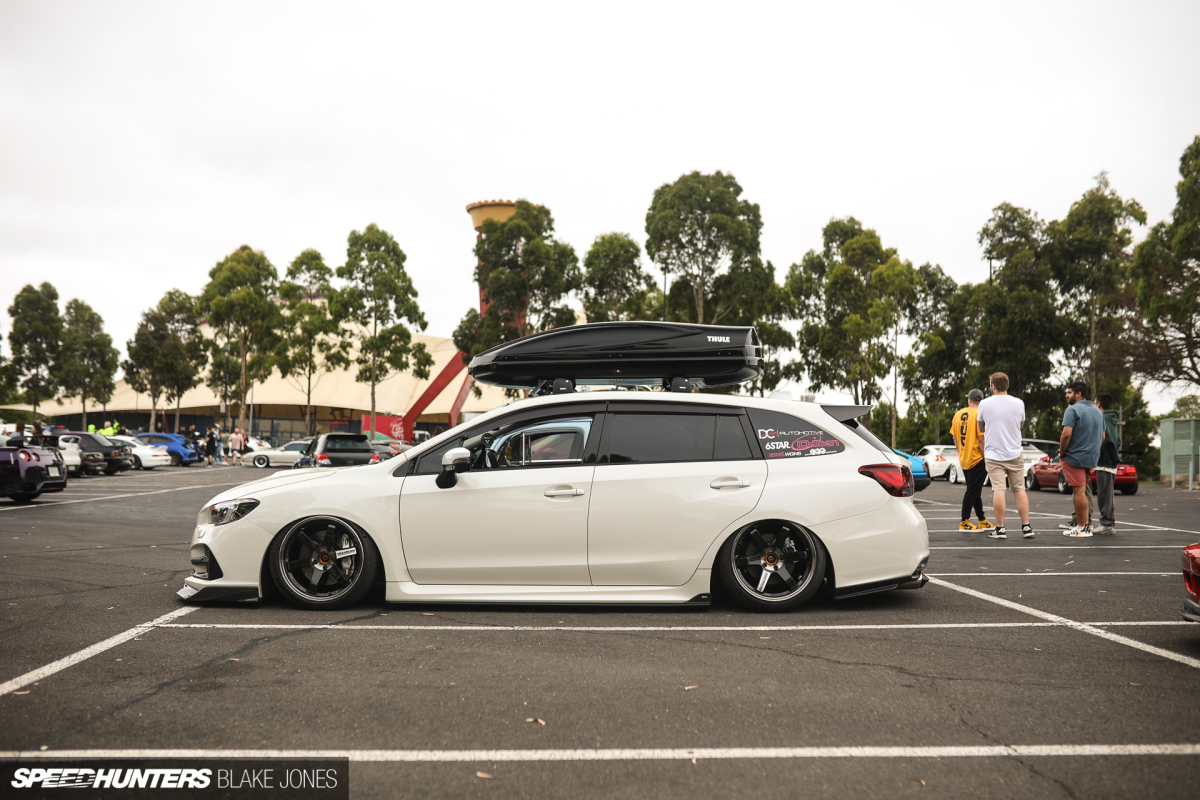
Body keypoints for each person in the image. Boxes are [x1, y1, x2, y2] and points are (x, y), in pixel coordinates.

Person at [976, 371, 1034, 540]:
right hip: (1014, 452)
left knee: (998, 489)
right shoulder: (1019, 403)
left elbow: (981, 427)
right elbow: (1021, 424)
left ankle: (1000, 529)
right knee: (1019, 489)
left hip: (994, 453)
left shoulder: (985, 404)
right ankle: (1026, 526)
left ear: (993, 386)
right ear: (1007, 385)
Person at [1059, 382, 1104, 537]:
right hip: (1090, 457)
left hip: (1074, 457)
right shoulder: (1098, 411)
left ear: (1078, 394)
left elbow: (1066, 434)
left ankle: (1080, 527)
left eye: (1069, 392)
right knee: (1083, 491)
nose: (1067, 395)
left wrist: (1062, 453)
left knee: (1078, 491)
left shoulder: (1072, 410)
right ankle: (1085, 527)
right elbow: (1103, 437)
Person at [954, 388, 993, 531]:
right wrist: (986, 457)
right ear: (980, 401)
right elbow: (981, 439)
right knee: (972, 490)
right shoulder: (979, 414)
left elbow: (955, 437)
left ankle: (982, 519)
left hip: (965, 457)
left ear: (969, 400)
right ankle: (964, 521)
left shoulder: (958, 414)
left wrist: (961, 452)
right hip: (977, 457)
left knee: (975, 490)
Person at [1094, 393, 1120, 535]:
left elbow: (1107, 439)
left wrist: (1096, 452)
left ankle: (1107, 524)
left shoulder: (1103, 418)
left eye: (1094, 402)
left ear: (1098, 404)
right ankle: (1107, 522)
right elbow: (1117, 441)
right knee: (1106, 493)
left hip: (1104, 462)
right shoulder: (1112, 419)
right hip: (1109, 462)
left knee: (1104, 494)